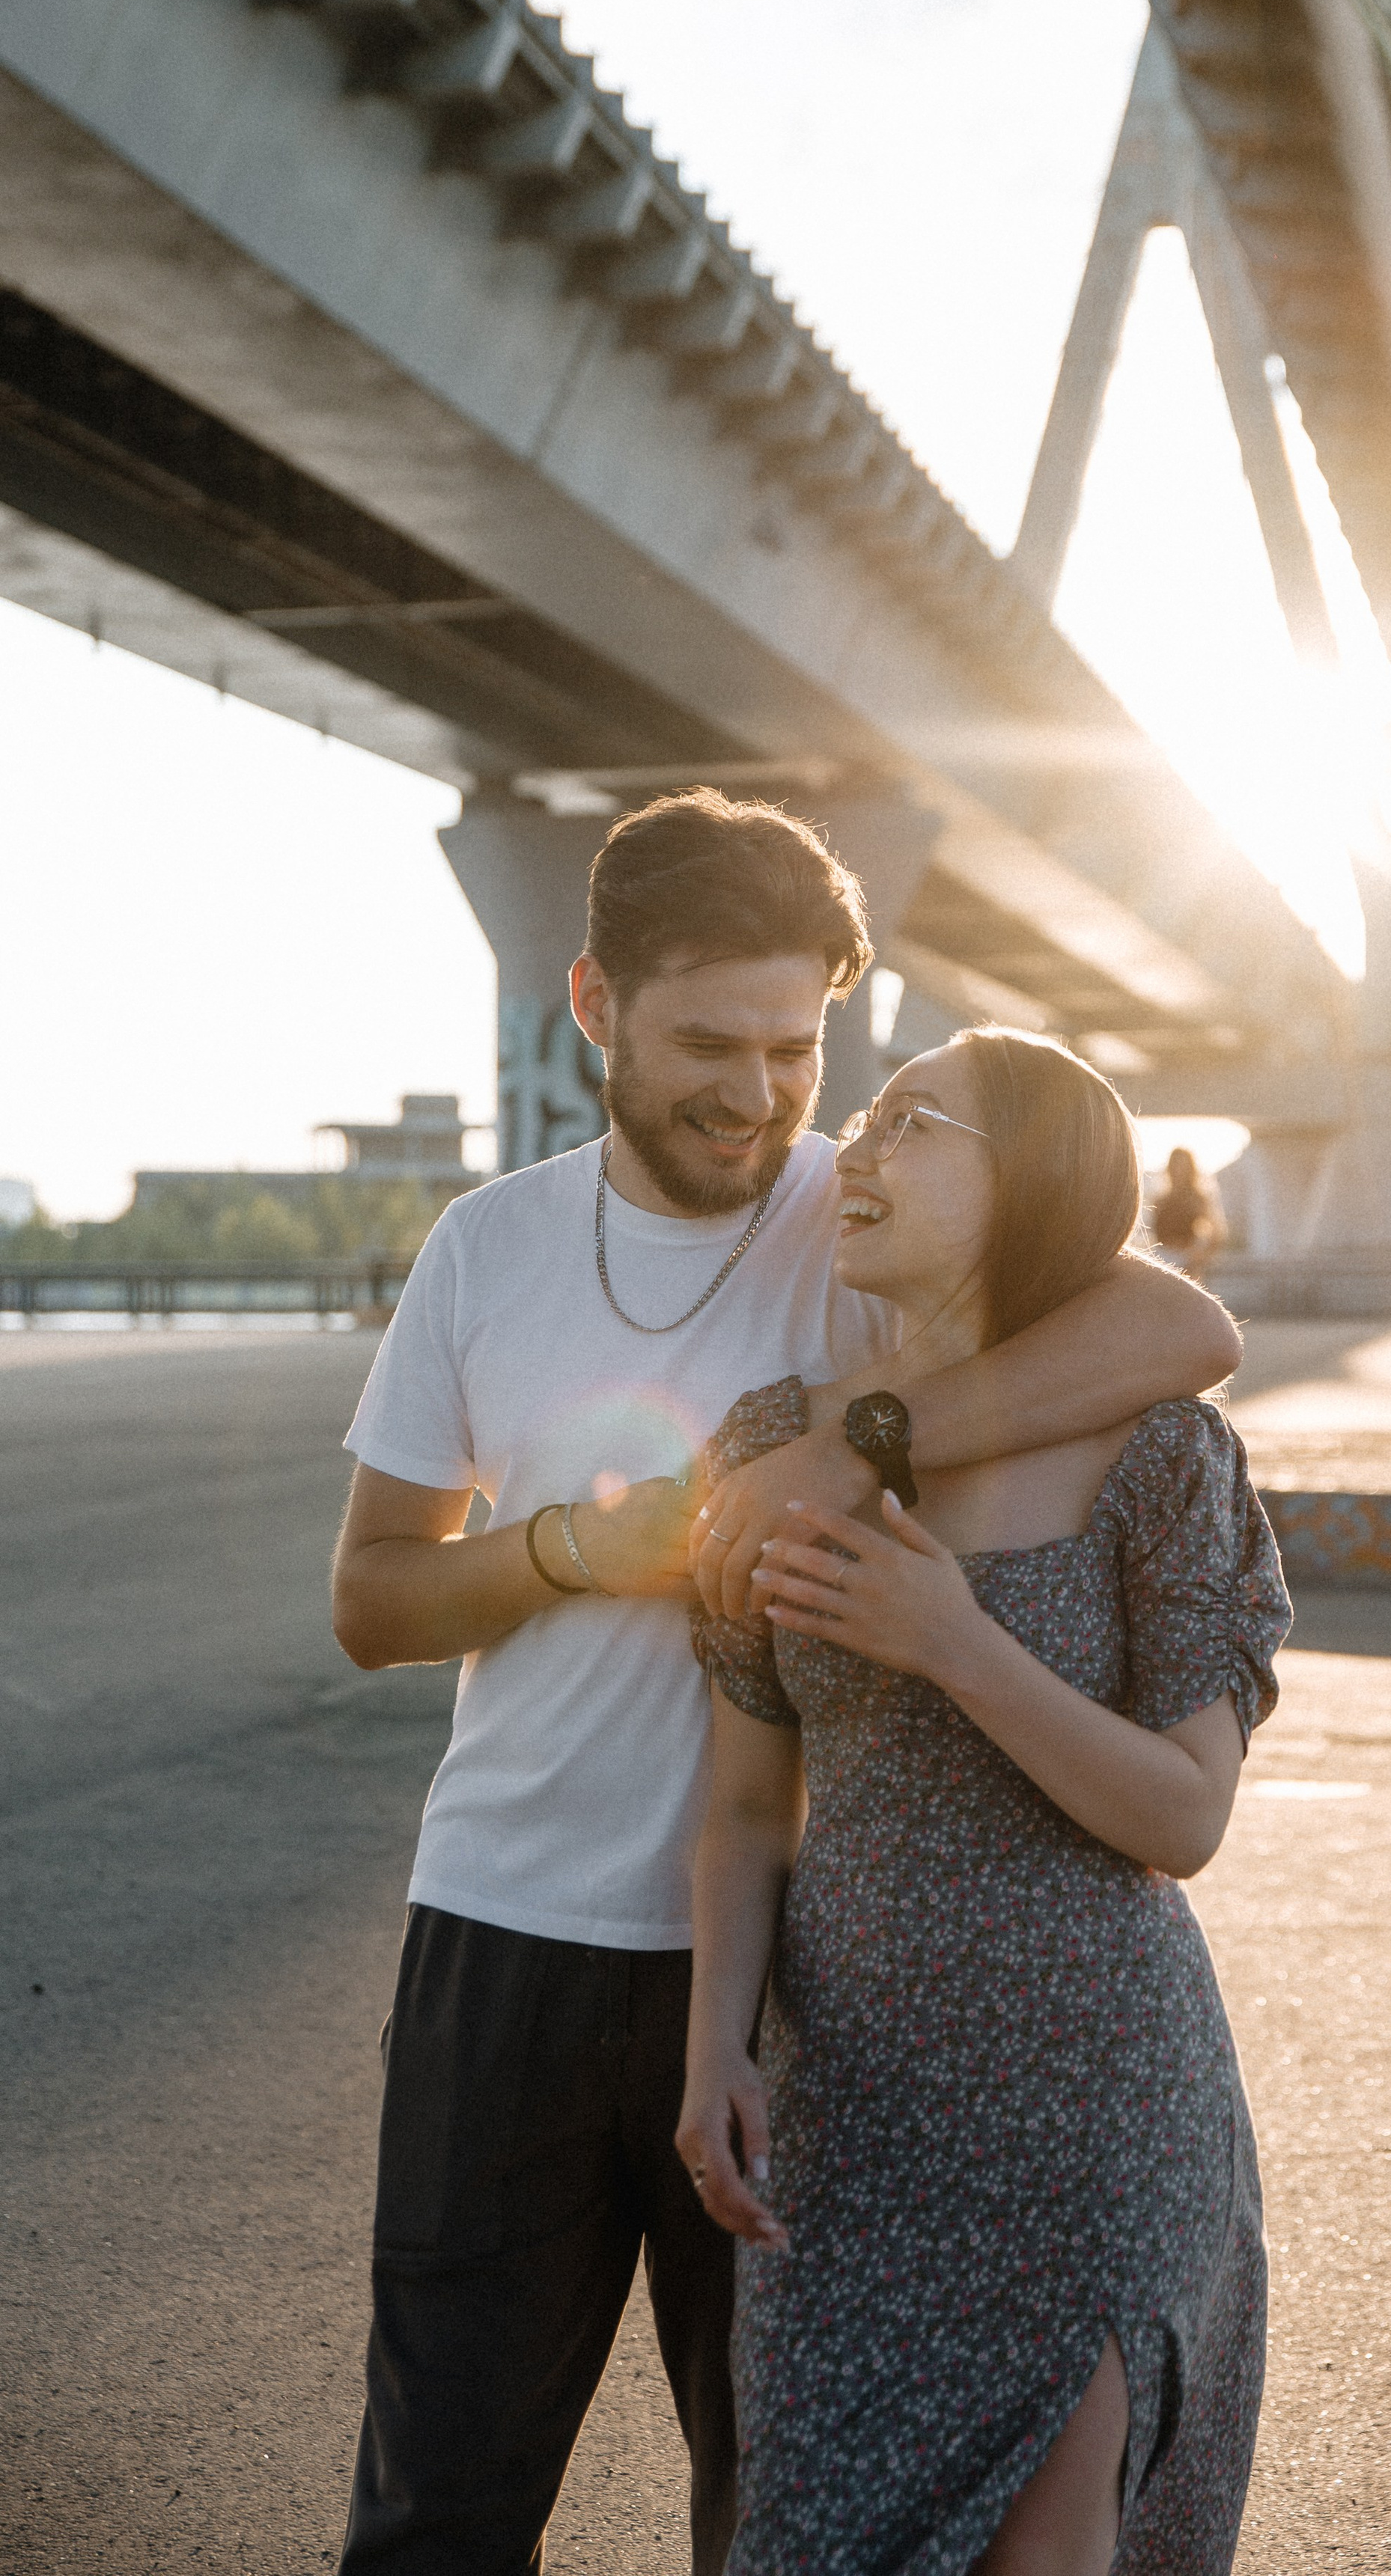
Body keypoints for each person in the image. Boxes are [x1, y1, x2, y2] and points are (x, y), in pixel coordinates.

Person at [328, 791, 1243, 2576]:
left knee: (779, 2507)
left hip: (798, 1982)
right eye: (703, 1046)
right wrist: (582, 1550)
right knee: (435, 2505)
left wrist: (848, 1441)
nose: (755, 1094)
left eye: (793, 1046)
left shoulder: (870, 1212)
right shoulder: (484, 1250)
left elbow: (1179, 1333)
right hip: (500, 1936)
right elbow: (370, 1599)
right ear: (588, 1003)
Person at [681, 1026, 1289, 2575]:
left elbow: (1183, 1819)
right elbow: (749, 1807)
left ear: (1034, 1184)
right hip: (853, 2118)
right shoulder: (773, 1452)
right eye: (864, 1123)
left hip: (1098, 2107)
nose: (856, 1154)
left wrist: (953, 1643)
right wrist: (714, 2052)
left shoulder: (1157, 1454)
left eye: (913, 1124)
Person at [1150, 1143, 1226, 1281]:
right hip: (1161, 1261)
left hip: (1186, 1263)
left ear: (1191, 1170)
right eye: (1175, 1166)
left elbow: (1217, 1233)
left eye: (1183, 1167)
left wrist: (1199, 1257)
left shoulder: (1197, 1199)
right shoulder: (1160, 1200)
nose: (1179, 1171)